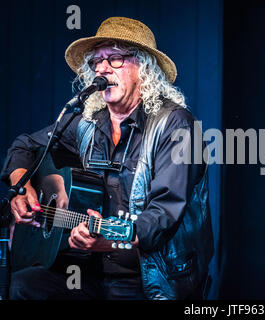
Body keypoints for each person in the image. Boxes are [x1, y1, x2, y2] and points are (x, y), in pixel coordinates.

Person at [0, 16, 214, 300]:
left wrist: (109, 241)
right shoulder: (88, 123)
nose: (101, 68)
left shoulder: (175, 125)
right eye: (96, 61)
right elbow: (24, 146)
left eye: (114, 58)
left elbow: (162, 215)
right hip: (85, 271)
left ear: (144, 67)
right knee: (21, 286)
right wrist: (22, 187)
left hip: (151, 279)